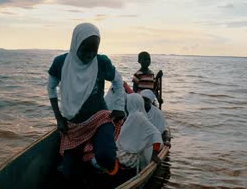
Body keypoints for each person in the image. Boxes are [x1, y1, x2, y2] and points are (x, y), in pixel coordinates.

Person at [47, 23, 126, 178]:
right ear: (75, 44)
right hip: (73, 125)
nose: (89, 55)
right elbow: (51, 88)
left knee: (106, 156)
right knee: (69, 173)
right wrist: (59, 118)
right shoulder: (61, 63)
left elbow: (118, 81)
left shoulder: (101, 62)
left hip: (99, 118)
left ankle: (107, 162)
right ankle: (89, 160)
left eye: (93, 51)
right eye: (85, 50)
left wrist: (119, 106)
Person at [116, 93, 163, 172]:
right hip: (128, 152)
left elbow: (156, 134)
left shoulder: (137, 116)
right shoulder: (133, 115)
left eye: (127, 102)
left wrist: (154, 155)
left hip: (130, 156)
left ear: (132, 103)